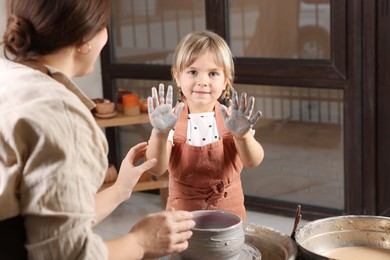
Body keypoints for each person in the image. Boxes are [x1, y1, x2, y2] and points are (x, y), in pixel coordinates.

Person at [0, 0, 195, 259]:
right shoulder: (62, 116)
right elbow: (65, 254)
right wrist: (140, 242)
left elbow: (45, 221)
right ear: (84, 39)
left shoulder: (9, 76)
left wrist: (118, 190)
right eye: (104, 26)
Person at [146, 31, 264, 221]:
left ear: (225, 80)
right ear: (177, 76)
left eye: (213, 73)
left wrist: (244, 137)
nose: (202, 81)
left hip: (229, 216)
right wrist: (160, 133)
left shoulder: (233, 118)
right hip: (183, 219)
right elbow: (156, 169)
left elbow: (253, 161)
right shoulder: (170, 120)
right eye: (192, 72)